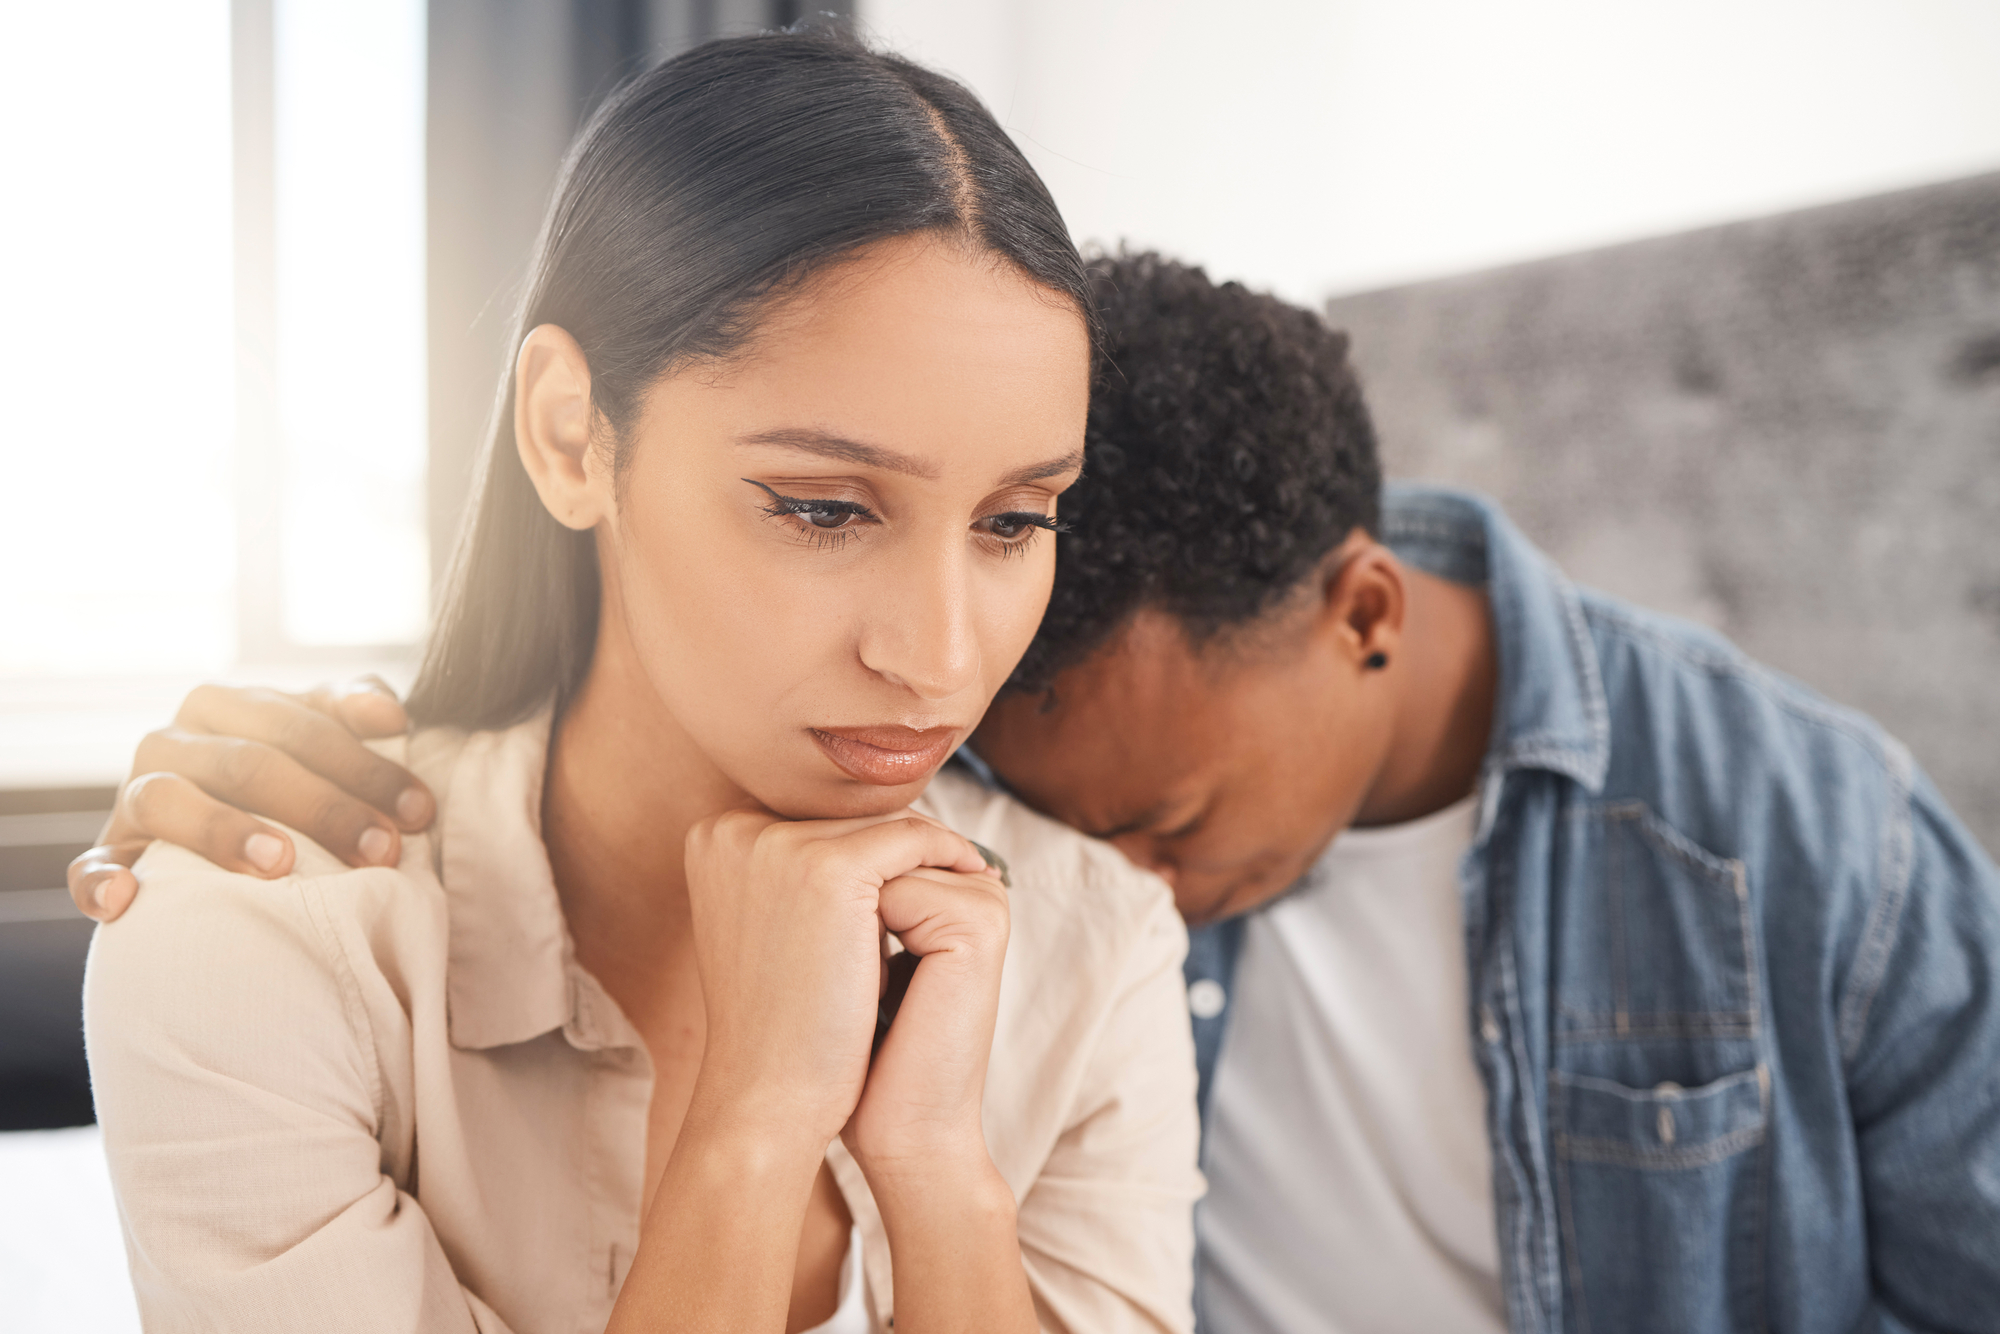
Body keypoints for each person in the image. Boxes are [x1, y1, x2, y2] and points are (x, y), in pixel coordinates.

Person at [76, 254, 2000, 1333]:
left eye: (1161, 818)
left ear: (1365, 613)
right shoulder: (957, 750)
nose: (1103, 861)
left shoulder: (1802, 839)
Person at [77, 36, 1205, 1334]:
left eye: (1015, 522)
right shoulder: (252, 939)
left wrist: (944, 1178)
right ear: (572, 436)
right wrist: (753, 1119)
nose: (944, 658)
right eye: (827, 509)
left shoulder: (1095, 944)